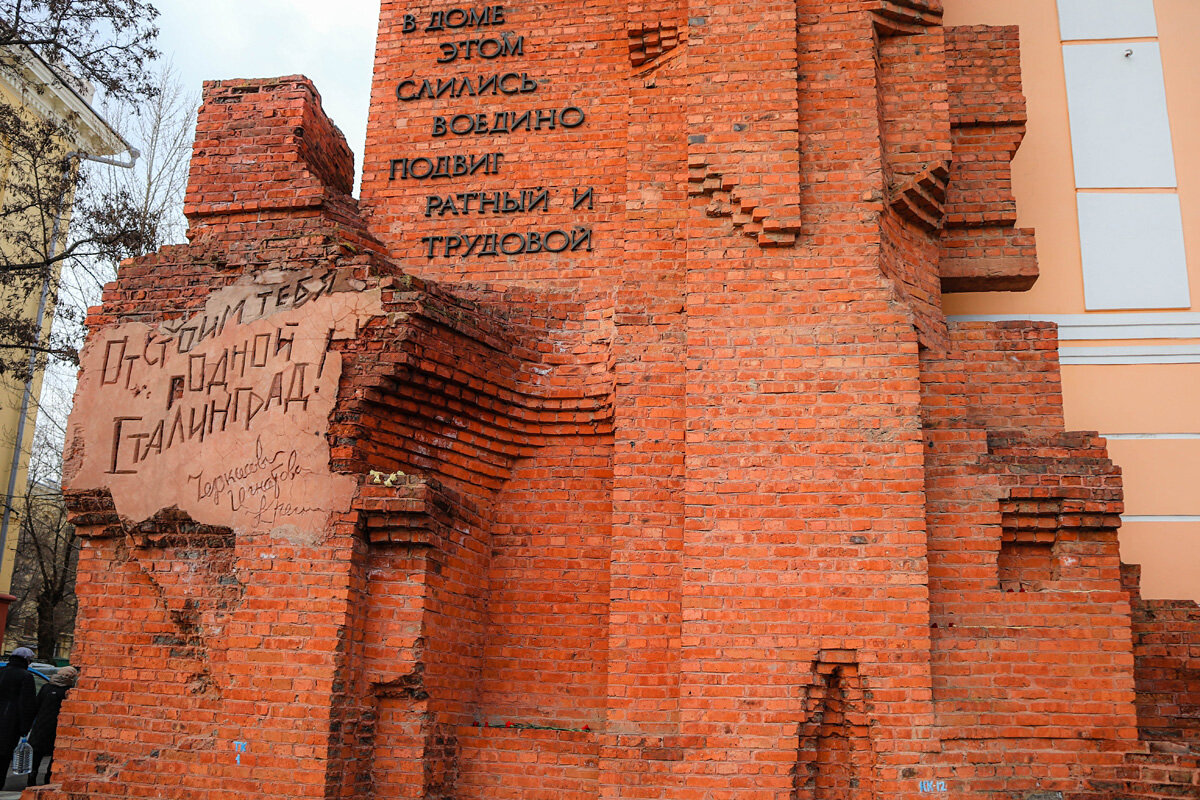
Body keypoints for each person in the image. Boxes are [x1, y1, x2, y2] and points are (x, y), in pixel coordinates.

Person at [27, 665, 79, 786]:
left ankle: (31, 777)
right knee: (54, 754)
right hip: (57, 727)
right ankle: (48, 778)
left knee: (36, 753)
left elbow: (36, 706)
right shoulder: (69, 692)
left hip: (40, 726)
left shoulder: (46, 687)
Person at [0, 647, 37, 772]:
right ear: (27, 660)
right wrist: (24, 728)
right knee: (3, 756)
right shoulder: (26, 677)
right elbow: (26, 704)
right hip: (10, 722)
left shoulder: (1, 671)